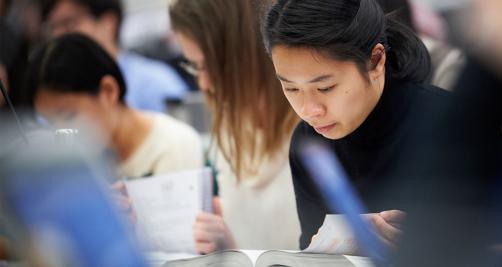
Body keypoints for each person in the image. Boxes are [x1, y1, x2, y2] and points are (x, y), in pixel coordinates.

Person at [262, 0, 502, 251]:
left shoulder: (461, 130)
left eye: (325, 87)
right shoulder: (309, 142)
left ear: (376, 61)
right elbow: (311, 252)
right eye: (291, 88)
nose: (310, 110)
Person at [169, 0, 301, 252]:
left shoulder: (316, 122)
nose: (204, 83)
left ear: (248, 53)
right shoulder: (230, 122)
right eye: (195, 67)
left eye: (212, 66)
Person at [28, 33, 203, 179]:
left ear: (108, 91)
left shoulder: (173, 146)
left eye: (68, 116)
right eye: (50, 124)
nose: (61, 132)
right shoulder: (73, 168)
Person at [41, 0, 189, 112]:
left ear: (108, 23)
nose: (59, 35)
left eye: (69, 23)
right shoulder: (54, 90)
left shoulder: (155, 83)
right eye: (53, 27)